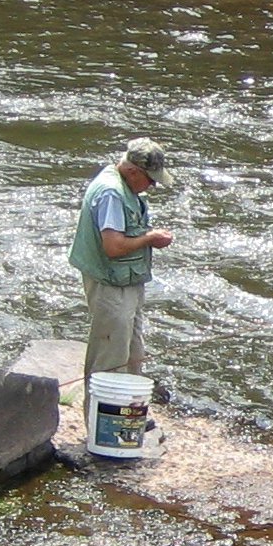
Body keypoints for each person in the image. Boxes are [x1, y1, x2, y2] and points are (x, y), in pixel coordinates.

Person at [68, 137, 176, 386]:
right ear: (131, 171)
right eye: (149, 180)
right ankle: (102, 422)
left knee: (132, 353)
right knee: (110, 363)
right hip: (111, 288)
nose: (151, 186)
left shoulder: (120, 182)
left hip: (126, 284)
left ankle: (128, 414)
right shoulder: (111, 194)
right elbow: (113, 246)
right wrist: (149, 238)